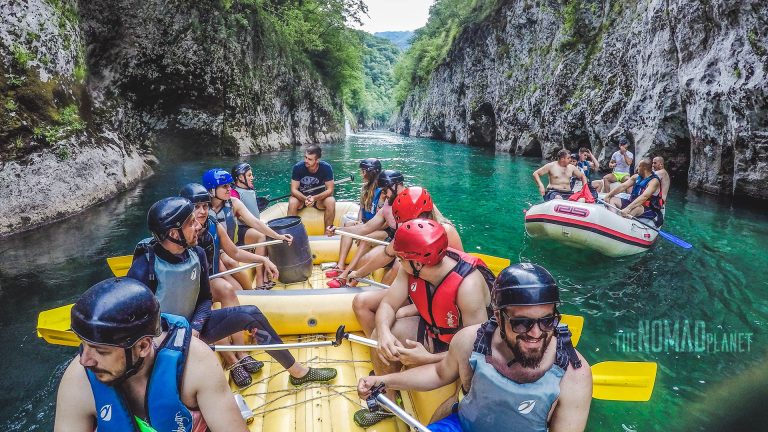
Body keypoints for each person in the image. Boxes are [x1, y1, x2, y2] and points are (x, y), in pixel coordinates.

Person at [127, 197, 336, 388]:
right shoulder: (144, 268)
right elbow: (134, 325)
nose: (199, 225)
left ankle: (298, 372)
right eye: (191, 223)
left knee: (250, 314)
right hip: (162, 342)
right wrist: (175, 337)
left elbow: (204, 299)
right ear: (174, 233)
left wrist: (196, 327)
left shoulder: (197, 254)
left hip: (194, 327)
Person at [357, 263, 593, 432]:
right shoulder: (472, 340)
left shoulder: (573, 374)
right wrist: (384, 381)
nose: (536, 333)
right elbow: (439, 373)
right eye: (522, 322)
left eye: (547, 320)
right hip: (462, 424)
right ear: (498, 318)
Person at [53, 277, 249, 431]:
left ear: (143, 346)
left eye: (101, 350)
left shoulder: (196, 364)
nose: (84, 360)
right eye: (83, 345)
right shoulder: (78, 380)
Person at [353, 219, 493, 427]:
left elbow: (475, 351)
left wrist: (428, 358)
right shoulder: (410, 268)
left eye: (401, 257)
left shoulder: (468, 286)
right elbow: (388, 306)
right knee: (382, 336)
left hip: (461, 349)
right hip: (435, 331)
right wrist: (383, 332)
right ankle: (388, 403)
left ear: (417, 262)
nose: (398, 261)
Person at [349, 186, 464, 337]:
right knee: (360, 303)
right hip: (415, 291)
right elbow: (387, 253)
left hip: (439, 296)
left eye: (407, 221)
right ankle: (379, 349)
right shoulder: (409, 232)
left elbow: (460, 272)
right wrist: (358, 274)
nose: (404, 226)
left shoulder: (446, 232)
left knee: (401, 314)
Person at [203, 168, 292, 290]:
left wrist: (277, 236)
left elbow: (255, 222)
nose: (229, 189)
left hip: (230, 246)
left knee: (231, 261)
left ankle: (257, 285)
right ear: (212, 190)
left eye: (229, 185)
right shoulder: (202, 210)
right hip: (215, 251)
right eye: (224, 187)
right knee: (230, 263)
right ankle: (248, 293)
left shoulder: (234, 203)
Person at [325, 169, 406, 288]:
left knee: (397, 267)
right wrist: (338, 230)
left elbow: (439, 220)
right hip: (395, 243)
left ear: (395, 186)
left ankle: (379, 294)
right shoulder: (387, 207)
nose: (384, 195)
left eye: (385, 191)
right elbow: (366, 228)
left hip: (408, 246)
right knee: (366, 258)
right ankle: (350, 282)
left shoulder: (415, 198)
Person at [327, 158, 384, 277]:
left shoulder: (382, 193)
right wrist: (359, 221)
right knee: (348, 225)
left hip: (378, 228)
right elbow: (361, 209)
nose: (361, 174)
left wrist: (364, 230)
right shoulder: (365, 188)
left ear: (371, 172)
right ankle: (340, 265)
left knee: (365, 237)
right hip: (366, 223)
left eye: (363, 171)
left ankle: (349, 272)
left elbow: (383, 221)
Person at [288, 145, 336, 235]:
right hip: (301, 199)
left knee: (331, 200)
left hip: (319, 199)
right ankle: (291, 234)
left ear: (317, 160)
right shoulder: (298, 167)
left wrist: (314, 198)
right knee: (292, 201)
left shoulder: (326, 168)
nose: (306, 160)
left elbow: (330, 190)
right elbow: (293, 190)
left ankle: (328, 233)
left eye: (310, 159)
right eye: (305, 157)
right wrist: (305, 199)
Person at [603, 159, 664, 226]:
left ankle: (620, 224)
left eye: (639, 166)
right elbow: (623, 186)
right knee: (612, 199)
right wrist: (608, 195)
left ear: (644, 168)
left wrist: (628, 208)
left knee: (637, 208)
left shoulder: (654, 181)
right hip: (632, 202)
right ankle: (612, 219)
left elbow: (644, 196)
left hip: (647, 208)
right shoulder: (636, 177)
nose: (637, 168)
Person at [230, 162, 262, 243]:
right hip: (243, 229)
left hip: (253, 225)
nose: (252, 177)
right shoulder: (234, 193)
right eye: (249, 175)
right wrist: (255, 226)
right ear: (241, 177)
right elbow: (238, 216)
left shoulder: (250, 189)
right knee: (262, 236)